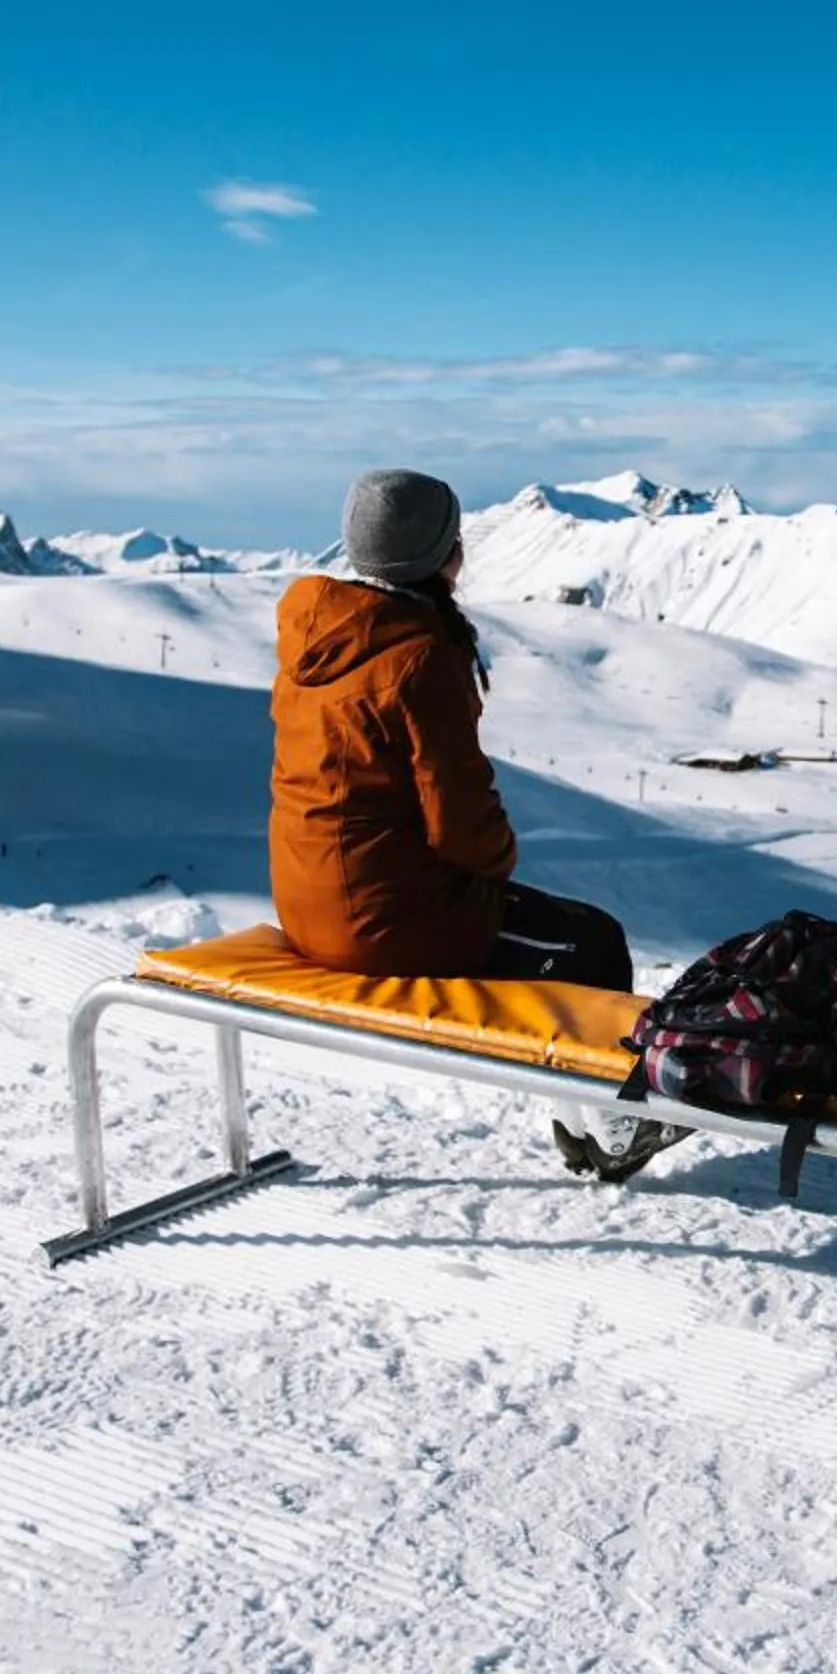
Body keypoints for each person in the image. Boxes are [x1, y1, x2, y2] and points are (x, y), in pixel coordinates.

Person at [268, 467, 677, 1179]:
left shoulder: (320, 631)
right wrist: (495, 866)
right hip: (383, 920)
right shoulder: (419, 655)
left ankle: (586, 1122)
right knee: (591, 944)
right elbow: (457, 817)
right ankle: (612, 1127)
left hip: (307, 899)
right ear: (440, 554)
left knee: (559, 941)